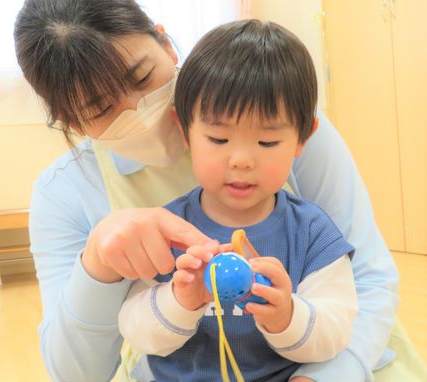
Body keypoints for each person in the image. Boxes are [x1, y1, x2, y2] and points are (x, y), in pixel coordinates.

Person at [14, 1, 399, 381]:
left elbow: (367, 277)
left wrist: (325, 373)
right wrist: (98, 263)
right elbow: (77, 373)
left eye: (142, 77)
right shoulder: (64, 190)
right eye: (101, 109)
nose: (139, 110)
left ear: (165, 42)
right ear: (70, 120)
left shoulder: (276, 117)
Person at [118, 19, 358, 381]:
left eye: (267, 142)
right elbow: (136, 329)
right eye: (217, 139)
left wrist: (287, 317)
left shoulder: (311, 231)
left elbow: (336, 330)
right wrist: (182, 300)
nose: (241, 160)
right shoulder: (170, 229)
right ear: (184, 130)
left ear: (302, 137)